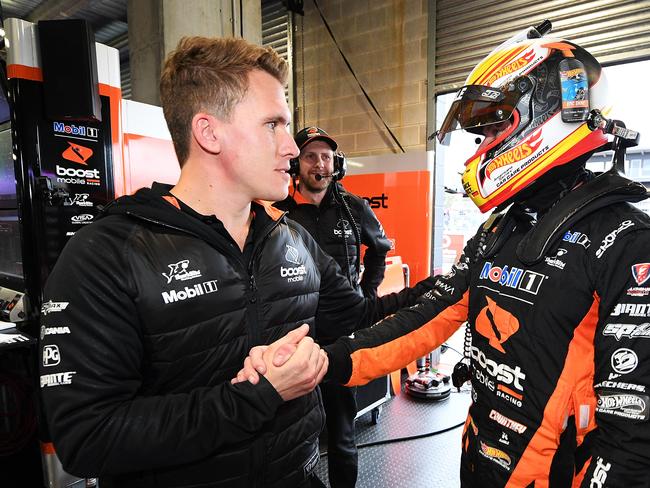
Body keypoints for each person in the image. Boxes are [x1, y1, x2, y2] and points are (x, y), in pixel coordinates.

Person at [236, 22, 650, 487]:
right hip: (480, 460)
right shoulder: (500, 229)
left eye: (497, 125)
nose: (484, 142)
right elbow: (422, 320)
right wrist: (323, 362)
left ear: (550, 115)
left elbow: (634, 434)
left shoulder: (627, 241)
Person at [38, 36, 435, 488]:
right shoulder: (107, 254)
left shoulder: (292, 239)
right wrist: (257, 396)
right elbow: (87, 438)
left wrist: (458, 283)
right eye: (273, 125)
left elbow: (361, 318)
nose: (291, 147)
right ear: (209, 133)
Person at [275, 126, 392, 487]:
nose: (320, 164)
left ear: (336, 164)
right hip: (292, 336)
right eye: (311, 156)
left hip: (342, 335)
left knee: (343, 430)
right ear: (296, 163)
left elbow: (379, 252)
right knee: (291, 429)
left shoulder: (354, 208)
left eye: (326, 157)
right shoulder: (277, 210)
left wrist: (367, 298)